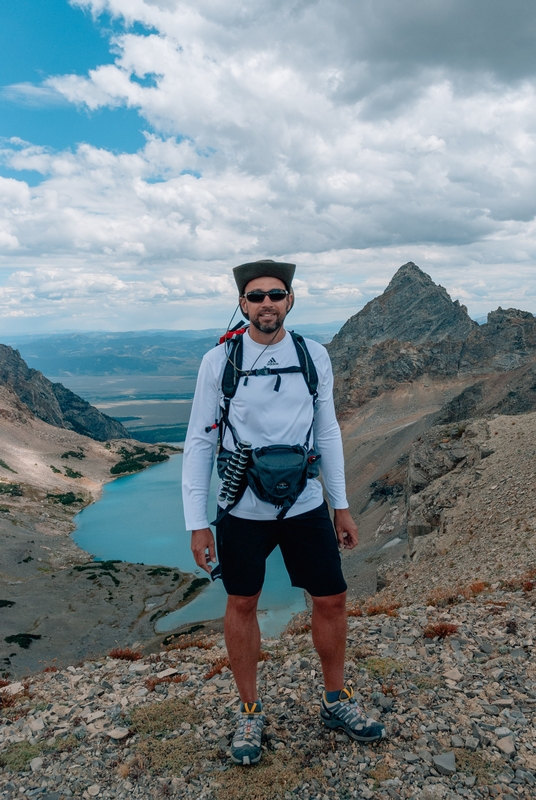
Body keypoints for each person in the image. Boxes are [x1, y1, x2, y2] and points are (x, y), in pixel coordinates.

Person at [182, 259, 385, 766]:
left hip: (304, 503)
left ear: (290, 300)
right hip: (241, 508)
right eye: (256, 296)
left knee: (332, 598)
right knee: (242, 603)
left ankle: (336, 699)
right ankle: (250, 709)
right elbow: (198, 443)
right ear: (242, 304)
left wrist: (341, 506)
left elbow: (329, 431)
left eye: (276, 294)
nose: (266, 303)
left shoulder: (313, 355)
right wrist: (197, 522)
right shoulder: (219, 361)